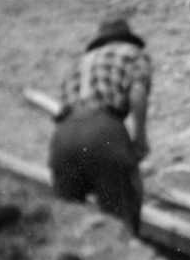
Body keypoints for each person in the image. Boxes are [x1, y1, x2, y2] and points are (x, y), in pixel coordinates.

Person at [48, 16, 153, 233]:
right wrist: (140, 140)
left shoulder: (79, 63)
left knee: (67, 220)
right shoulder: (133, 54)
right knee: (121, 218)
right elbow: (137, 94)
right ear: (127, 38)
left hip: (63, 136)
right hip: (103, 131)